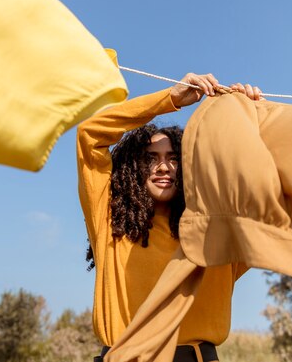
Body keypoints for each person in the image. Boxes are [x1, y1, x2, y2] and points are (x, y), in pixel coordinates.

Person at [77, 74, 260, 362]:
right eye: (151, 158)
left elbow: (270, 193)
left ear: (188, 167)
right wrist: (169, 99)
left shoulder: (215, 235)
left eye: (174, 159)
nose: (164, 167)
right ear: (133, 168)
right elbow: (90, 135)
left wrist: (254, 120)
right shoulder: (108, 221)